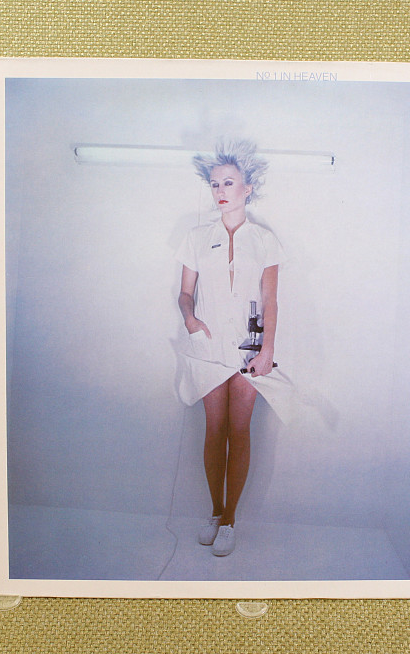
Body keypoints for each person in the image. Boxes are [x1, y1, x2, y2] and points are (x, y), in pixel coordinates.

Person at [175, 139, 290, 557]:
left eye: (228, 182)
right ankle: (214, 511)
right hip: (207, 345)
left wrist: (266, 350)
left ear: (247, 188)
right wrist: (190, 319)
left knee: (239, 431)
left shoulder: (264, 240)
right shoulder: (196, 237)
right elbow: (185, 293)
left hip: (248, 346)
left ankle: (230, 521)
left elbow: (271, 299)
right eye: (214, 184)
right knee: (214, 429)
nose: (220, 191)